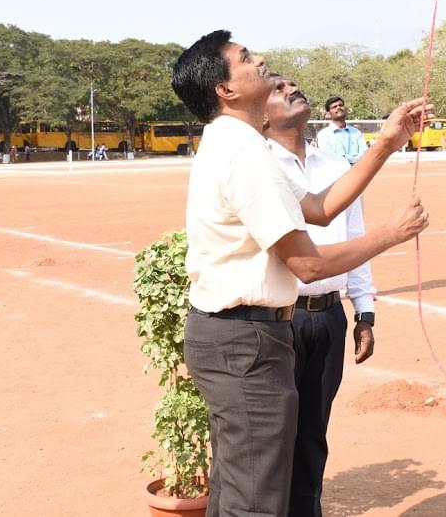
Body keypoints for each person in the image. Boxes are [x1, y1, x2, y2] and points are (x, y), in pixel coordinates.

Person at [171, 30, 430, 517]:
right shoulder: (246, 154)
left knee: (239, 489)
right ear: (226, 89)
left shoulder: (236, 143)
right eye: (245, 58)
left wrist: (388, 142)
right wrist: (391, 234)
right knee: (256, 501)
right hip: (245, 342)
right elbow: (308, 265)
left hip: (238, 337)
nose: (261, 60)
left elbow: (319, 208)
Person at [264, 78, 377, 517]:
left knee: (313, 434)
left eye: (293, 85)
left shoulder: (334, 165)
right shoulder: (259, 166)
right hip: (276, 321)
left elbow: (355, 238)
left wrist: (364, 311)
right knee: (272, 437)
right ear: (261, 114)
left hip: (328, 317)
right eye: (278, 88)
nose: (291, 87)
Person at [316, 96, 367, 164]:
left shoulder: (356, 132)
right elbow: (330, 158)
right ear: (328, 114)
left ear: (345, 109)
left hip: (359, 169)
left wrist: (344, 157)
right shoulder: (323, 135)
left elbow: (365, 154)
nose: (338, 108)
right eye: (334, 107)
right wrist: (354, 158)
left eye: (341, 105)